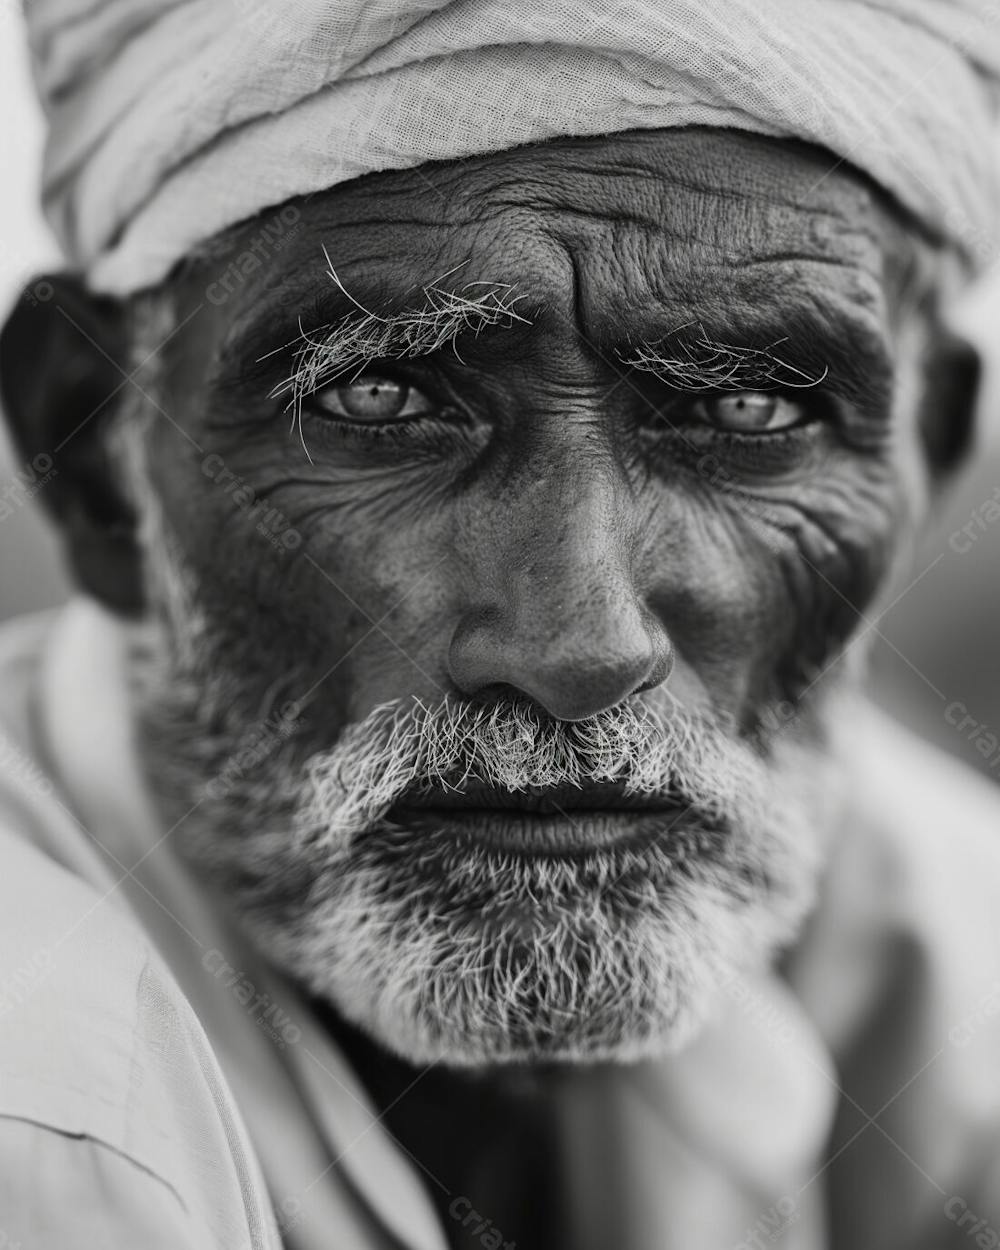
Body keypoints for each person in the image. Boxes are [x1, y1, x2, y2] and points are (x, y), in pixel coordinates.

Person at [1, 2, 1000, 1247]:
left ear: (928, 455)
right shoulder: (42, 1124)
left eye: (748, 407)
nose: (582, 649)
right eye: (384, 394)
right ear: (97, 459)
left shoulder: (955, 963)